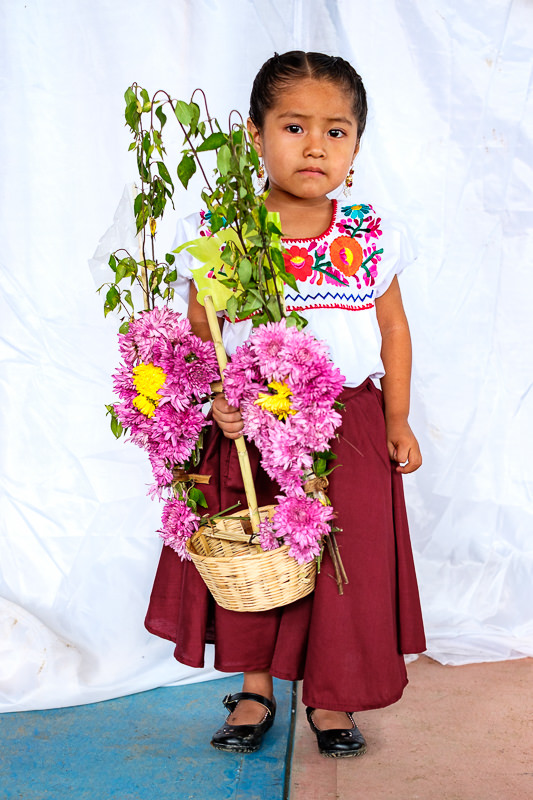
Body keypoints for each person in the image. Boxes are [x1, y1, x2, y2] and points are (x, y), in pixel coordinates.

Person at [145, 50, 426, 759]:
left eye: (336, 131)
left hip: (349, 424)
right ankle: (256, 684)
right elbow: (203, 326)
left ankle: (331, 694)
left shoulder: (364, 231)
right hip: (253, 428)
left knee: (343, 563)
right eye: (294, 125)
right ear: (253, 135)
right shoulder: (225, 227)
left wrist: (395, 419)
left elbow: (391, 330)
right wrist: (216, 402)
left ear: (356, 146)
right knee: (260, 555)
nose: (314, 145)